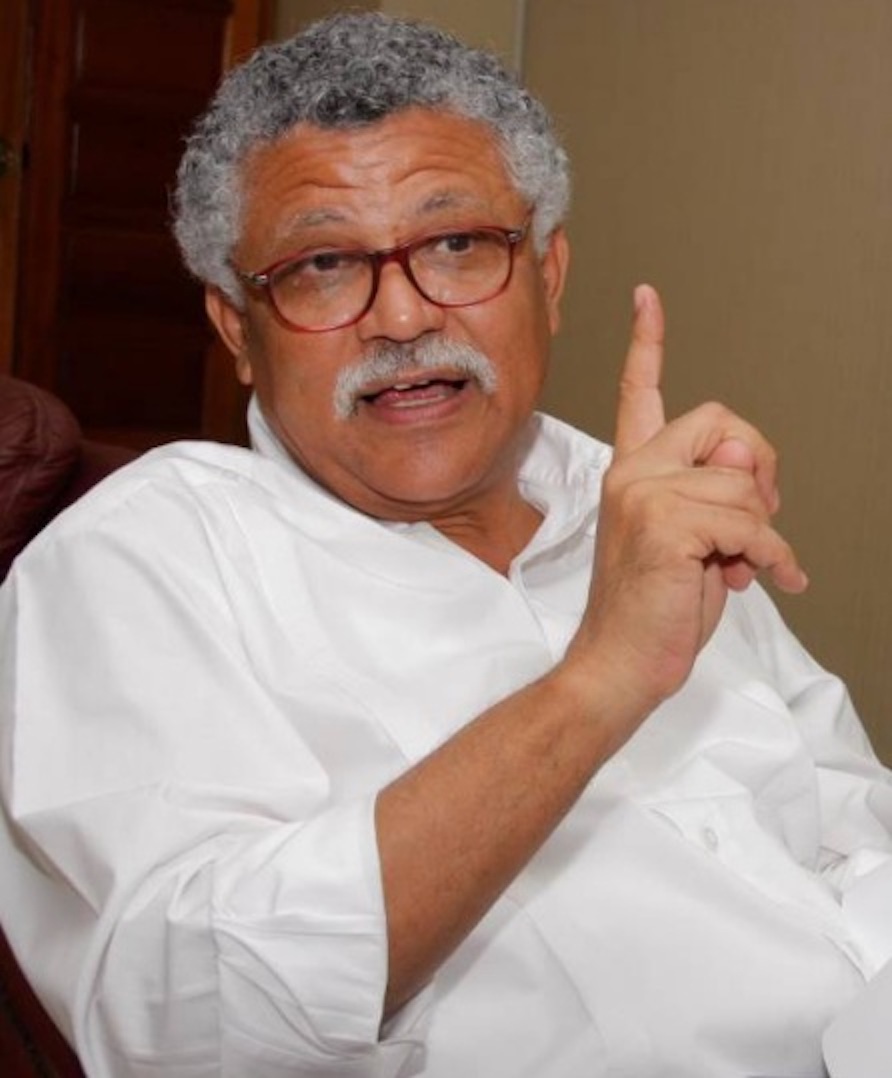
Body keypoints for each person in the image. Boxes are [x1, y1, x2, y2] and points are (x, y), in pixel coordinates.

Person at [1, 12, 890, 1077]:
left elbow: (853, 823)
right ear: (238, 328)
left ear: (548, 277)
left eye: (458, 245)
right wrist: (596, 683)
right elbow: (182, 1027)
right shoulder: (140, 560)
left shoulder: (640, 502)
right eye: (324, 264)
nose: (401, 317)